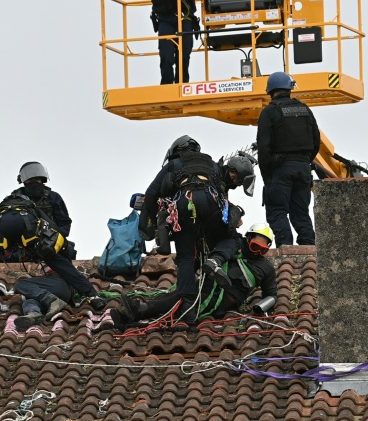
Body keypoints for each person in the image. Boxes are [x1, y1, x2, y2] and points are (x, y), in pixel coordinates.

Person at [0, 162, 106, 331]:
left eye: (38, 180)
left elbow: (64, 229)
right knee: (29, 296)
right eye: (32, 180)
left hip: (45, 245)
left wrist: (53, 238)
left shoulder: (50, 198)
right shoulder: (15, 201)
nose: (35, 183)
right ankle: (34, 313)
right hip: (31, 243)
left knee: (23, 283)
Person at [139, 144, 255, 324]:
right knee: (232, 239)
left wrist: (150, 225)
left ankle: (187, 312)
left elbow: (151, 193)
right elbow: (222, 204)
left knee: (185, 256)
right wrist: (234, 218)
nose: (235, 183)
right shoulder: (212, 166)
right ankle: (215, 260)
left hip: (184, 205)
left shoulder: (175, 164)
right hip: (209, 202)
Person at [112, 223, 277, 327]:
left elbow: (272, 295)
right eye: (255, 247)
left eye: (263, 250)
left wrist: (260, 307)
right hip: (208, 282)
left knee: (185, 298)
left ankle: (141, 310)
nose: (258, 252)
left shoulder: (266, 268)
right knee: (183, 292)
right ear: (248, 239)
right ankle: (129, 314)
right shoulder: (235, 244)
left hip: (226, 297)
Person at [256, 71, 321, 247]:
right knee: (301, 214)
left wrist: (268, 177)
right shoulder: (305, 110)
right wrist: (304, 161)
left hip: (280, 169)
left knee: (277, 212)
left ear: (270, 91)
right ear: (290, 89)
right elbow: (316, 142)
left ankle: (286, 254)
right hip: (303, 168)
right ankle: (309, 251)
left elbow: (263, 148)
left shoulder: (269, 112)